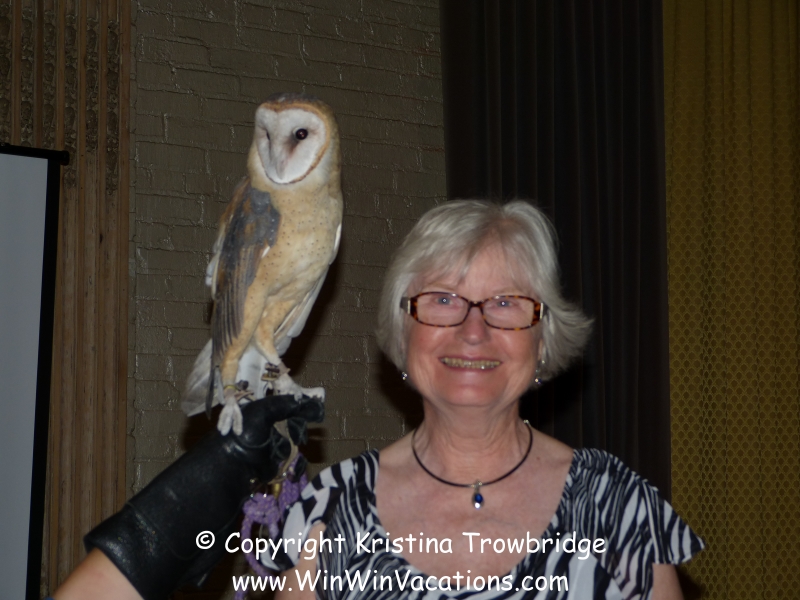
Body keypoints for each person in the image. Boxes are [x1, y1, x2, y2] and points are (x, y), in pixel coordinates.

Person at [54, 200, 703, 600]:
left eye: (506, 303)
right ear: (403, 332)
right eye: (442, 300)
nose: (473, 329)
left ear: (543, 336)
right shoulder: (327, 512)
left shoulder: (619, 508)